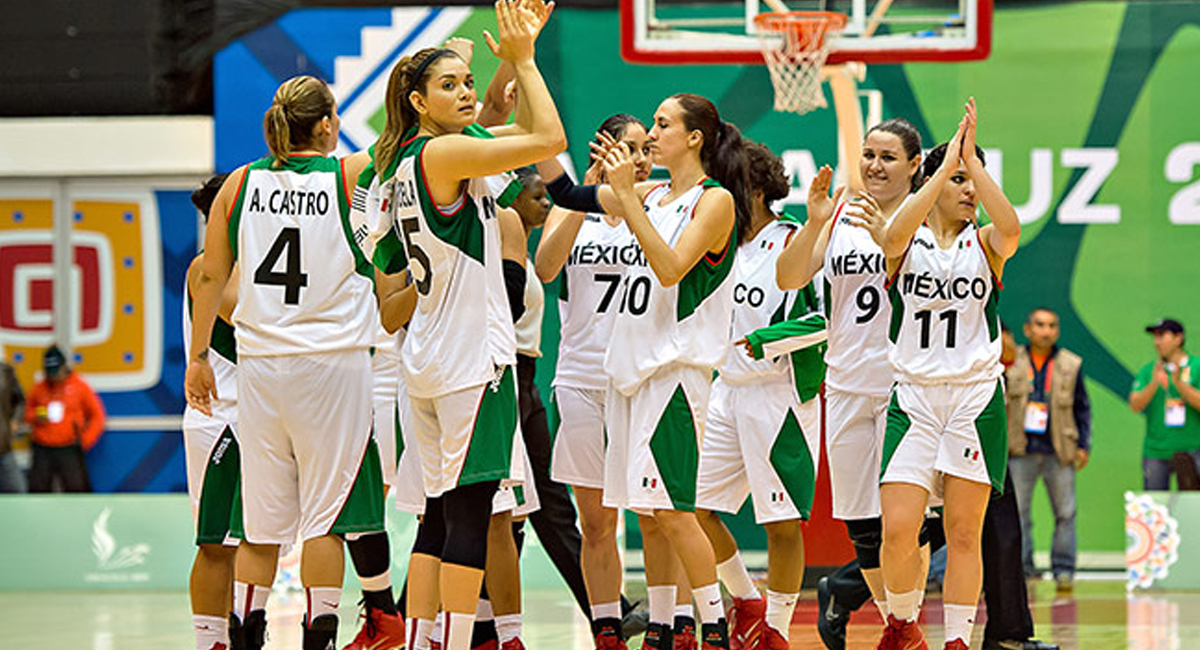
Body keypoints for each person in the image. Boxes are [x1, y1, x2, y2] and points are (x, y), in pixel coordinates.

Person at [363, 2, 566, 647]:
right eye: (448, 86)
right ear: (419, 103)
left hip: (423, 364)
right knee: (472, 519)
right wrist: (526, 60)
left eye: (466, 83)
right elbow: (550, 140)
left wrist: (498, 67)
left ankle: (422, 639)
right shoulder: (449, 154)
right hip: (471, 365)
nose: (466, 93)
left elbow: (389, 288)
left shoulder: (397, 170)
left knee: (432, 521)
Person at [542, 91, 750, 650]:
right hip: (632, 376)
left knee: (678, 514)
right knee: (652, 509)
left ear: (693, 139)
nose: (651, 135)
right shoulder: (654, 195)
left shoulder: (714, 202)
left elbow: (669, 267)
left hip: (675, 374)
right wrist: (525, 70)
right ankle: (661, 626)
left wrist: (630, 202)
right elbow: (562, 191)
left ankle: (713, 626)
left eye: (661, 125)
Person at [185, 74, 385, 649]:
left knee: (261, 524)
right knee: (324, 520)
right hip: (331, 365)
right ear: (325, 125)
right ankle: (317, 637)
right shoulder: (350, 175)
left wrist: (199, 356)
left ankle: (246, 635)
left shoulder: (240, 183)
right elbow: (410, 143)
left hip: (260, 366)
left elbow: (210, 275)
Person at [876, 98, 1021, 650]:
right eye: (958, 180)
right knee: (897, 529)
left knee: (963, 533)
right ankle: (903, 622)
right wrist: (939, 173)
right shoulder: (906, 240)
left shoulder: (984, 244)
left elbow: (1011, 227)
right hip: (912, 399)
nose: (967, 190)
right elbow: (890, 238)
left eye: (972, 181)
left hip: (972, 398)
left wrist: (973, 163)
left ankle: (957, 639)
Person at [776, 117, 925, 650]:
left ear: (914, 166)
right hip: (845, 382)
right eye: (867, 154)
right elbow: (789, 278)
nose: (874, 165)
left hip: (906, 385)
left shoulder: (923, 219)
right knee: (863, 526)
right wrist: (815, 222)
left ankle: (905, 626)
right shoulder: (840, 213)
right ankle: (898, 626)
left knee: (910, 521)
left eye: (888, 156)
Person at [694, 141, 827, 650]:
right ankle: (747, 600)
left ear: (749, 188)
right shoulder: (717, 245)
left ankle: (775, 628)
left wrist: (768, 340)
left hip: (779, 396)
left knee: (782, 524)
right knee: (693, 510)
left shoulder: (794, 239)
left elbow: (822, 322)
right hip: (724, 392)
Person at [534, 113, 654, 650]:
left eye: (646, 147)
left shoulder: (660, 206)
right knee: (597, 521)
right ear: (603, 151)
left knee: (657, 515)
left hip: (643, 378)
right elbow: (544, 265)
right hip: (582, 377)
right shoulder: (578, 210)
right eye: (629, 147)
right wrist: (584, 192)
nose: (640, 157)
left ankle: (669, 625)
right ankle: (605, 626)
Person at [181, 173, 246, 650]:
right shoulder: (209, 265)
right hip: (220, 419)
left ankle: (238, 633)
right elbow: (250, 320)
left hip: (250, 416)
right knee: (215, 543)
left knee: (247, 542)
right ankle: (212, 642)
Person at [1005, 307, 1091, 592]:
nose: (1047, 330)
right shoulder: (1010, 361)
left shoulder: (1070, 363)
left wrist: (1083, 445)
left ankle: (1064, 570)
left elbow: (1082, 408)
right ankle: (1023, 569)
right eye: (1040, 325)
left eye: (1052, 325)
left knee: (1066, 513)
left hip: (1059, 450)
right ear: (1028, 329)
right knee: (1019, 515)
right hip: (1020, 450)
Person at [1129, 318, 1200, 489]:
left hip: (1193, 449)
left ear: (1178, 338)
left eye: (1162, 335)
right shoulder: (1149, 370)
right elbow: (1135, 405)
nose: (1157, 341)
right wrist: (1154, 383)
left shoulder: (1196, 366)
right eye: (1155, 337)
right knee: (1156, 507)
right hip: (1156, 451)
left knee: (1194, 508)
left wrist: (1179, 384)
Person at [25, 344, 105, 492]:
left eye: (56, 372)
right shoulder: (39, 388)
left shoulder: (80, 386)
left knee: (77, 489)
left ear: (64, 367)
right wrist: (36, 417)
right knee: (37, 489)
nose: (53, 376)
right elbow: (27, 412)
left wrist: (85, 440)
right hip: (42, 448)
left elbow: (97, 416)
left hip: (69, 448)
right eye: (50, 373)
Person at [0, 351, 25, 493]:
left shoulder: (5, 372)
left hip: (3, 448)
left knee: (17, 490)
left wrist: (16, 419)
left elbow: (20, 400)